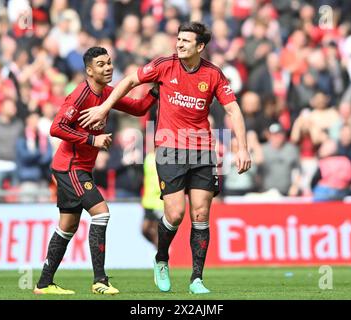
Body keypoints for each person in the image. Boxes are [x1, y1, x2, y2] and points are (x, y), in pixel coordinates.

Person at [79, 22, 251, 294]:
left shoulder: (214, 74)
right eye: (178, 39)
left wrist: (242, 148)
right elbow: (129, 80)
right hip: (169, 149)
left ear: (200, 46)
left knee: (201, 213)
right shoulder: (163, 65)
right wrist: (104, 108)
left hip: (203, 149)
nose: (179, 44)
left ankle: (196, 278)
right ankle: (161, 258)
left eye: (186, 40)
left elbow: (234, 111)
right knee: (175, 213)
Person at [33, 47, 157, 295]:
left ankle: (44, 284)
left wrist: (157, 89)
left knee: (67, 226)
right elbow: (56, 128)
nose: (108, 67)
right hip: (70, 167)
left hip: (77, 168)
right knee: (101, 213)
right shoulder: (80, 94)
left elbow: (139, 107)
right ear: (89, 70)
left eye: (109, 63)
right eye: (101, 64)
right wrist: (93, 140)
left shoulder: (108, 93)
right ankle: (100, 280)